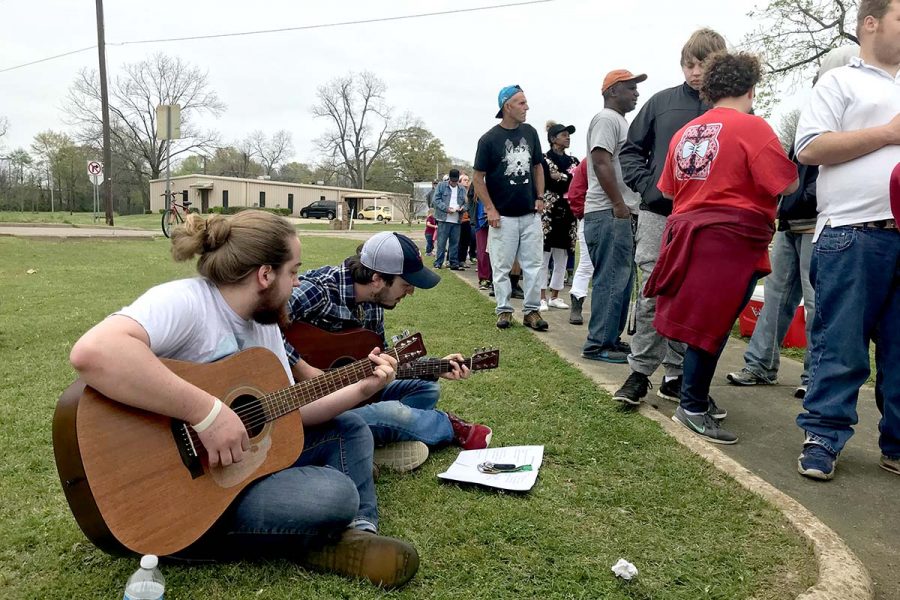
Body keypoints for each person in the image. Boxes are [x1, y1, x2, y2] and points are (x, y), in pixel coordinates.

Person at [68, 210, 419, 589]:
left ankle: (357, 535)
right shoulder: (186, 301)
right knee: (335, 495)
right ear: (265, 275)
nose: (298, 282)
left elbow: (292, 409)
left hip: (243, 469)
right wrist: (206, 412)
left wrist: (362, 389)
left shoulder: (264, 325)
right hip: (192, 486)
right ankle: (188, 537)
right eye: (294, 272)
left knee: (350, 429)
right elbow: (93, 352)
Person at [647, 51, 798, 444]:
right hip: (729, 238)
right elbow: (787, 183)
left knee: (699, 321)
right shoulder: (752, 127)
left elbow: (666, 189)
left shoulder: (686, 131)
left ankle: (693, 397)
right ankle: (692, 406)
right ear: (751, 88)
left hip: (686, 232)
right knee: (709, 326)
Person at [794, 0, 900, 481]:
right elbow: (811, 147)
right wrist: (888, 133)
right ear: (871, 23)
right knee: (840, 343)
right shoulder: (840, 82)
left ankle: (896, 445)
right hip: (852, 232)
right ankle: (823, 436)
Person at [284, 231, 493, 472]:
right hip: (303, 407)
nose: (411, 292)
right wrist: (306, 370)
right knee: (392, 412)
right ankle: (452, 427)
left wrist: (437, 367)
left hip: (353, 397)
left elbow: (382, 364)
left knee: (427, 388)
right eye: (406, 284)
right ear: (377, 279)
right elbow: (263, 322)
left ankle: (366, 446)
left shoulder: (374, 306)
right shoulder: (320, 289)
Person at [726, 46, 859, 398]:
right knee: (776, 297)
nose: (820, 83)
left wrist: (805, 199)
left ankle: (813, 375)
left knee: (818, 302)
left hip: (821, 223)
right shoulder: (812, 114)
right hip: (790, 221)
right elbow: (791, 166)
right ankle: (759, 364)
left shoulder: (856, 117)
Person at [614, 28, 728, 405]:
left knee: (696, 298)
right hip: (659, 214)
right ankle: (639, 371)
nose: (695, 72)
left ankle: (678, 374)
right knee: (653, 290)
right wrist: (648, 187)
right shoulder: (661, 103)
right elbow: (630, 150)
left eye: (703, 64)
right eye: (688, 64)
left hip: (708, 220)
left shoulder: (732, 111)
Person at [580, 69, 646, 363]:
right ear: (612, 91)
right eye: (631, 88)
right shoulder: (607, 119)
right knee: (611, 278)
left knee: (622, 276)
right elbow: (600, 160)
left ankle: (611, 338)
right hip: (607, 211)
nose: (636, 94)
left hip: (617, 211)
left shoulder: (621, 122)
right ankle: (598, 344)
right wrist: (619, 203)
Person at [474, 85, 548, 331]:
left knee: (534, 265)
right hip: (502, 216)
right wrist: (490, 208)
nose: (526, 107)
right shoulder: (488, 140)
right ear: (507, 106)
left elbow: (537, 166)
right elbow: (477, 177)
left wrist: (540, 196)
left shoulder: (531, 133)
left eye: (525, 102)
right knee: (502, 266)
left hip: (529, 213)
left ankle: (532, 311)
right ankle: (504, 310)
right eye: (521, 103)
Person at [539, 121, 579, 312]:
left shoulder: (574, 161)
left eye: (568, 135)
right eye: (564, 135)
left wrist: (563, 178)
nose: (568, 138)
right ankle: (541, 296)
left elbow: (576, 182)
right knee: (544, 255)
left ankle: (555, 295)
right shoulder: (543, 159)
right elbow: (548, 180)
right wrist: (566, 179)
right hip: (549, 211)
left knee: (562, 255)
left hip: (568, 212)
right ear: (553, 139)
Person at [567, 159, 591, 325]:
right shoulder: (588, 162)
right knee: (586, 263)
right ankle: (576, 303)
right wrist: (583, 214)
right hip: (591, 218)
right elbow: (575, 192)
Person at [432, 169, 466, 271]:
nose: (454, 183)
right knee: (441, 243)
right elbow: (436, 200)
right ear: (449, 179)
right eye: (452, 181)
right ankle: (438, 262)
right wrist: (446, 209)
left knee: (455, 243)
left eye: (456, 181)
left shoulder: (462, 189)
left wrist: (462, 208)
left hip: (457, 219)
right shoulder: (441, 186)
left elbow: (467, 202)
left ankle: (453, 263)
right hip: (444, 219)